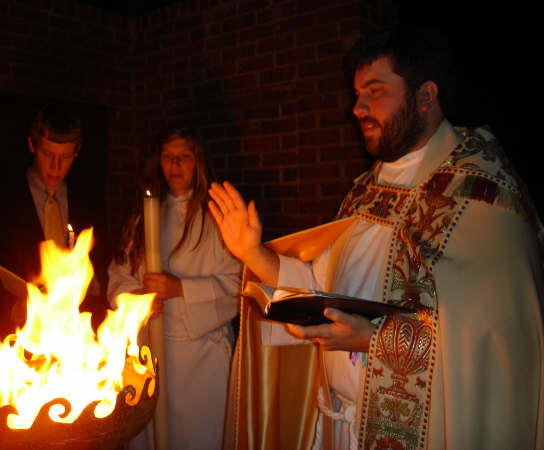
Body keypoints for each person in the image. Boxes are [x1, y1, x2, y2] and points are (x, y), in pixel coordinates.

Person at [209, 27, 544, 449]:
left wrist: (375, 340)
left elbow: (497, 336)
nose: (357, 108)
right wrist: (252, 253)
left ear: (425, 96)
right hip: (338, 426)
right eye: (357, 94)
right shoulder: (366, 190)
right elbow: (324, 284)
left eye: (375, 92)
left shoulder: (483, 194)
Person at [107, 127, 241, 450]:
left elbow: (239, 286)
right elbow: (118, 278)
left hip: (201, 361)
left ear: (198, 162)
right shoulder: (143, 216)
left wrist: (181, 288)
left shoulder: (217, 218)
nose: (174, 166)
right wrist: (138, 301)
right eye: (168, 157)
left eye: (184, 157)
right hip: (149, 353)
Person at [0, 103, 108, 348]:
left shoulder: (87, 200)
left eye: (65, 157)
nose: (56, 167)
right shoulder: (1, 201)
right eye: (48, 155)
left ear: (77, 153)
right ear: (32, 145)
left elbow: (101, 265)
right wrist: (13, 306)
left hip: (76, 339)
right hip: (20, 341)